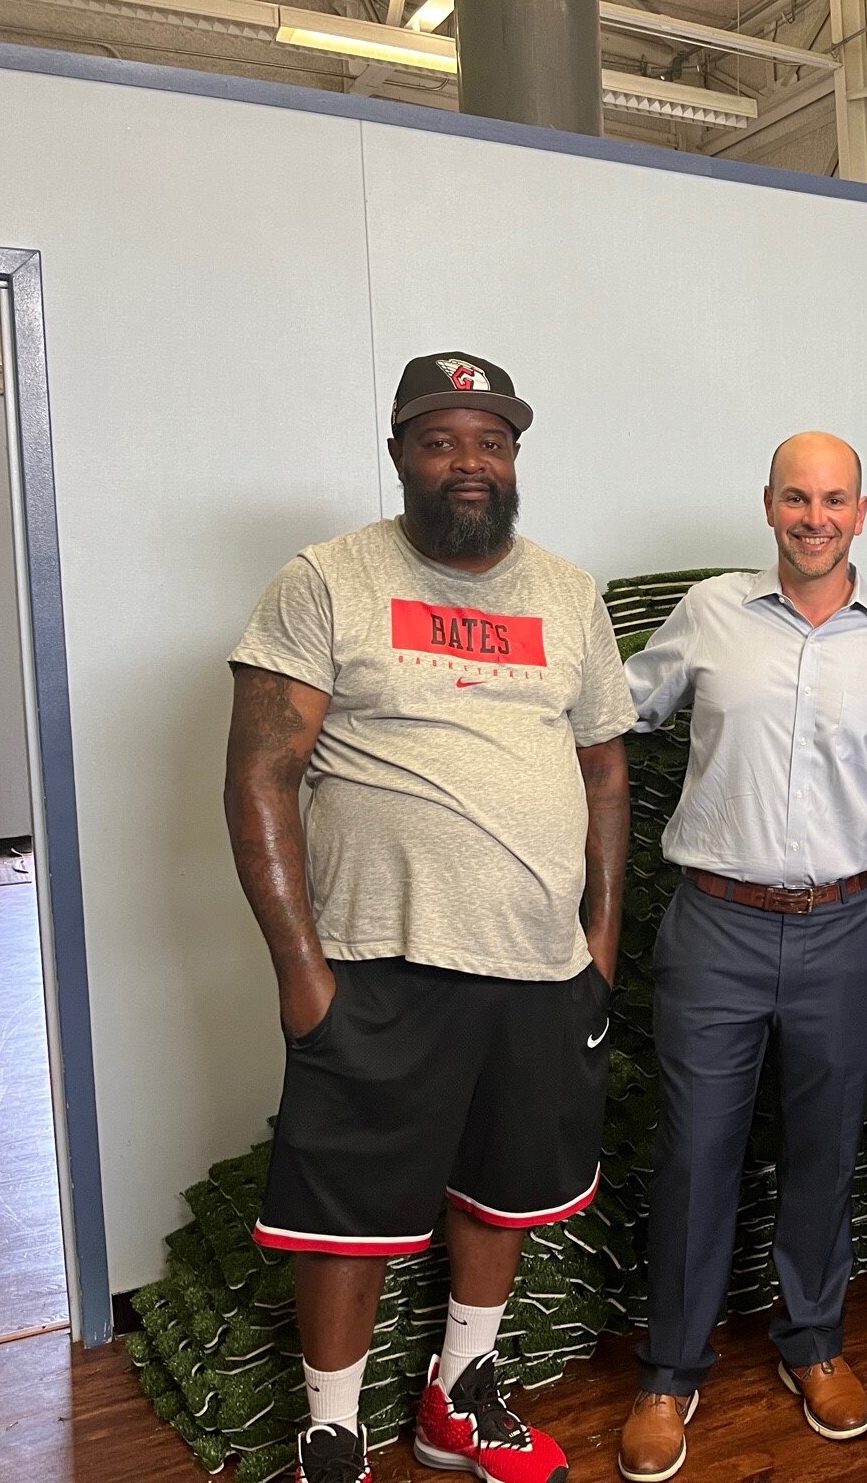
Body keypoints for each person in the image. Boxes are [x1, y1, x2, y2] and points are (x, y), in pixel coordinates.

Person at [224, 352, 635, 1483]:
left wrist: (599, 946)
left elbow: (605, 773)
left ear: (514, 459)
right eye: (443, 439)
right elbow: (261, 773)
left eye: (492, 441)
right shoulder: (328, 580)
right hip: (376, 963)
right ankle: (333, 1428)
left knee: (504, 1190)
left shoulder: (568, 594)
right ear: (401, 451)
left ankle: (458, 1396)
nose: (470, 462)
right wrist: (300, 970)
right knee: (343, 1211)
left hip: (541, 965)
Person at [615, 432, 867, 1483]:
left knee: (823, 1147)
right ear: (769, 506)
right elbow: (617, 705)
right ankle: (670, 1370)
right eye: (797, 498)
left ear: (861, 511)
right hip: (716, 925)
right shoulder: (712, 612)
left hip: (850, 927)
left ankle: (814, 1342)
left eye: (834, 499)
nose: (815, 516)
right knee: (695, 1152)